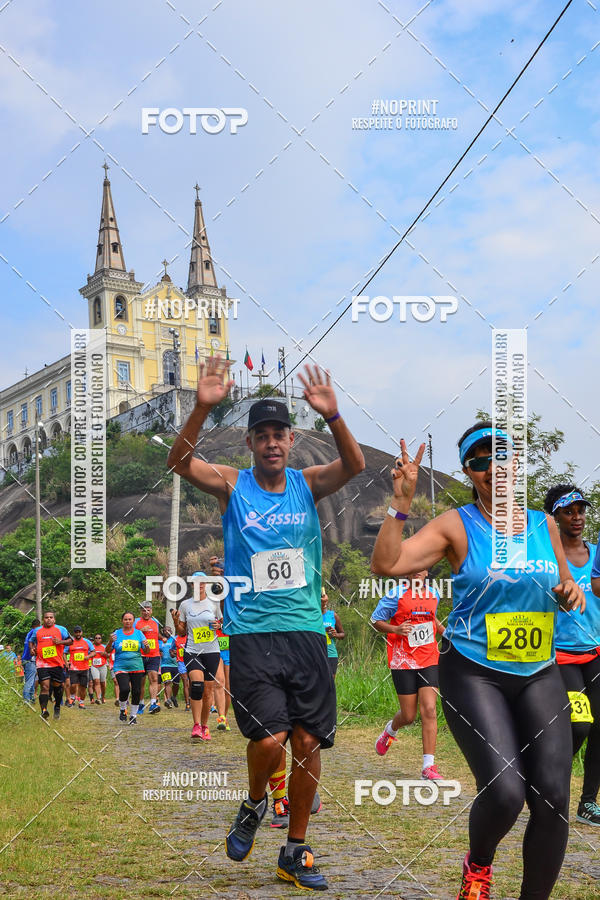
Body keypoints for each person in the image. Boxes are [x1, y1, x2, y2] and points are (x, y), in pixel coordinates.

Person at [168, 357, 364, 891]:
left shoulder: (307, 483)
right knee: (270, 740)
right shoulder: (233, 484)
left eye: (280, 433)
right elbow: (180, 463)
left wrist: (335, 416)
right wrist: (203, 407)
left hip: (305, 630)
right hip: (253, 632)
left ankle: (295, 850)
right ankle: (255, 801)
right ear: (251, 443)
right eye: (262, 435)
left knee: (307, 743)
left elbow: (355, 467)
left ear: (292, 439)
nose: (272, 443)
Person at [371, 424, 585, 900]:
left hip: (539, 672)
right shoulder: (456, 524)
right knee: (507, 791)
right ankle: (478, 864)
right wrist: (400, 503)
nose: (494, 468)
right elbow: (386, 564)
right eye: (481, 461)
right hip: (474, 672)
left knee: (552, 798)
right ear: (470, 472)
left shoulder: (542, 525)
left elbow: (567, 590)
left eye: (502, 457)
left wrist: (570, 593)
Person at [544, 486, 600, 826]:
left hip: (595, 653)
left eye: (581, 510)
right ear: (555, 517)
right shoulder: (547, 559)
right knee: (579, 724)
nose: (577, 517)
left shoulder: (597, 554)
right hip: (560, 656)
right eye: (568, 511)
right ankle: (551, 785)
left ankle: (588, 801)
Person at [371, 571, 445, 779]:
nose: (417, 572)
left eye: (422, 568)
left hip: (429, 657)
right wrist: (396, 628)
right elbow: (375, 620)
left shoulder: (433, 594)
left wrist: (447, 633)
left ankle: (428, 767)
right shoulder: (396, 594)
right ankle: (390, 730)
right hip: (402, 660)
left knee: (429, 709)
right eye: (413, 568)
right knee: (409, 716)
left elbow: (432, 619)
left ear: (427, 572)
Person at [172, 572, 221, 742]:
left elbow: (223, 623)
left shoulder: (214, 603)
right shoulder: (185, 605)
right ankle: (196, 725)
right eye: (196, 582)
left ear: (206, 584)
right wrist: (176, 621)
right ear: (192, 584)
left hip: (212, 651)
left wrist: (219, 624)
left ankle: (205, 725)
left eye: (202, 582)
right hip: (192, 650)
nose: (199, 585)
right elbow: (182, 631)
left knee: (208, 692)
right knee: (197, 686)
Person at [105, 613, 149, 724]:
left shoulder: (139, 634)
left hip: (137, 666)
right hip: (121, 666)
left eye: (130, 619)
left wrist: (147, 646)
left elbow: (146, 651)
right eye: (125, 619)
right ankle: (122, 709)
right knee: (124, 689)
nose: (128, 621)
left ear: (133, 621)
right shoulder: (116, 634)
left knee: (137, 691)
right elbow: (108, 650)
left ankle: (133, 715)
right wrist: (110, 641)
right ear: (122, 621)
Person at [30, 611, 72, 720]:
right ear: (43, 619)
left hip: (57, 663)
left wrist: (60, 642)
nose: (49, 619)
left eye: (51, 617)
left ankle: (57, 706)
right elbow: (31, 641)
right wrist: (32, 649)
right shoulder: (37, 631)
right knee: (44, 686)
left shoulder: (61, 629)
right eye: (46, 617)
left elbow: (71, 641)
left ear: (54, 619)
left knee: (58, 687)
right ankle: (44, 710)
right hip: (42, 663)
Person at [134, 602, 163, 715]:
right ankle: (140, 703)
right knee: (141, 682)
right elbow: (131, 634)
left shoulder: (155, 622)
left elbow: (156, 635)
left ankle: (153, 703)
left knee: (154, 679)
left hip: (154, 655)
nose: (146, 612)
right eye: (143, 610)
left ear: (151, 611)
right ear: (141, 611)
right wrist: (141, 630)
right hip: (140, 655)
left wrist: (163, 637)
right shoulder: (136, 622)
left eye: (148, 610)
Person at [321, 588, 344, 678]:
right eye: (322, 601)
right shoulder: (312, 616)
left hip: (331, 654)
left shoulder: (332, 615)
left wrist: (336, 634)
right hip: (316, 653)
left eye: (325, 601)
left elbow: (342, 634)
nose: (324, 604)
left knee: (330, 683)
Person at [69, 627, 94, 708]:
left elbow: (94, 652)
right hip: (73, 668)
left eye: (79, 632)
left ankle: (81, 702)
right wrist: (66, 662)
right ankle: (72, 697)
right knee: (73, 685)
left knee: (83, 687)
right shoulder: (70, 642)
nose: (78, 634)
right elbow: (64, 653)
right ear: (74, 633)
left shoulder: (87, 642)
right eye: (76, 632)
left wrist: (88, 656)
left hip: (84, 668)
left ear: (81, 632)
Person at [21, 617, 40, 703]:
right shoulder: (35, 632)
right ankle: (26, 699)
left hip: (25, 659)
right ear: (38, 626)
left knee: (31, 679)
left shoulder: (29, 633)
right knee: (29, 680)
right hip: (30, 659)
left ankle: (31, 698)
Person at [159, 626, 178, 708]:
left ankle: (174, 697)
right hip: (164, 665)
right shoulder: (160, 641)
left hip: (176, 665)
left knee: (176, 684)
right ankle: (168, 700)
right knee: (167, 682)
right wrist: (160, 653)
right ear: (163, 631)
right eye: (166, 630)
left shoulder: (175, 639)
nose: (167, 631)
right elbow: (158, 650)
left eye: (169, 630)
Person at [88, 634, 109, 704]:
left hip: (103, 666)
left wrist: (104, 654)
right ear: (94, 639)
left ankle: (103, 697)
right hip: (94, 666)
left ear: (101, 639)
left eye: (99, 638)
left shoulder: (104, 647)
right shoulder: (92, 647)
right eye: (96, 638)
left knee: (102, 683)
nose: (97, 639)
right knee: (96, 681)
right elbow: (88, 655)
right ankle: (98, 698)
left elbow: (108, 655)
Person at [173, 633, 189, 710]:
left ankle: (192, 700)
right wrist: (173, 653)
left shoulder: (190, 636)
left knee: (191, 683)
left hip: (191, 661)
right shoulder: (175, 638)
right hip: (181, 662)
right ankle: (187, 704)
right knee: (185, 682)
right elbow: (171, 650)